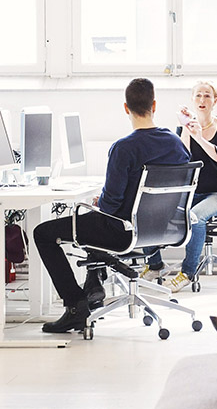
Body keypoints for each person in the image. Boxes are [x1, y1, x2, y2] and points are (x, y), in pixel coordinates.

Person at [33, 78, 190, 334]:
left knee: (44, 233)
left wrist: (99, 202)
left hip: (121, 231)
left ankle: (76, 307)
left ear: (126, 108)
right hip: (163, 229)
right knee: (88, 225)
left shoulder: (123, 148)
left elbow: (110, 204)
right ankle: (93, 287)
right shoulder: (175, 142)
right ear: (154, 105)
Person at [142, 81, 217, 292]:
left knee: (195, 216)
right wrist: (186, 129)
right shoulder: (185, 128)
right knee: (147, 210)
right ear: (192, 101)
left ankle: (187, 273)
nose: (202, 100)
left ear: (215, 101)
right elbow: (181, 160)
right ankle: (155, 264)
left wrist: (200, 138)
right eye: (198, 96)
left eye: (207, 96)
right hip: (192, 192)